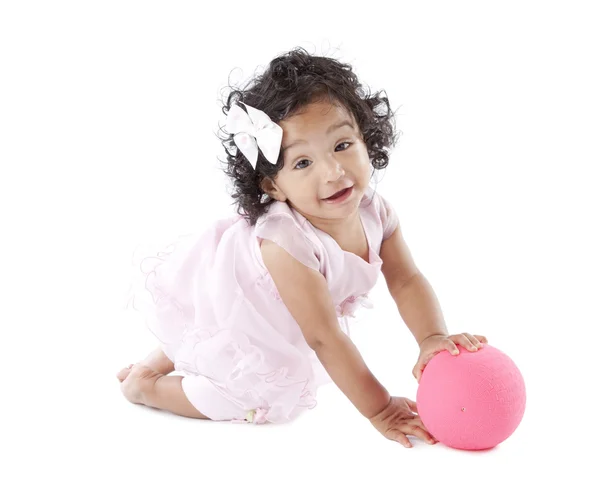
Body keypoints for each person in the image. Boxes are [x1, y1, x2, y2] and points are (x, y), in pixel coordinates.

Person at [117, 47, 487, 448]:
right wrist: (379, 408)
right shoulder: (286, 244)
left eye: (342, 145)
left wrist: (431, 336)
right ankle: (145, 386)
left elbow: (407, 279)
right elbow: (324, 337)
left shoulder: (375, 212)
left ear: (366, 136)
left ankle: (157, 363)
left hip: (252, 306)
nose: (333, 172)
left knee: (211, 329)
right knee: (244, 391)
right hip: (247, 299)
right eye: (302, 163)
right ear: (273, 187)